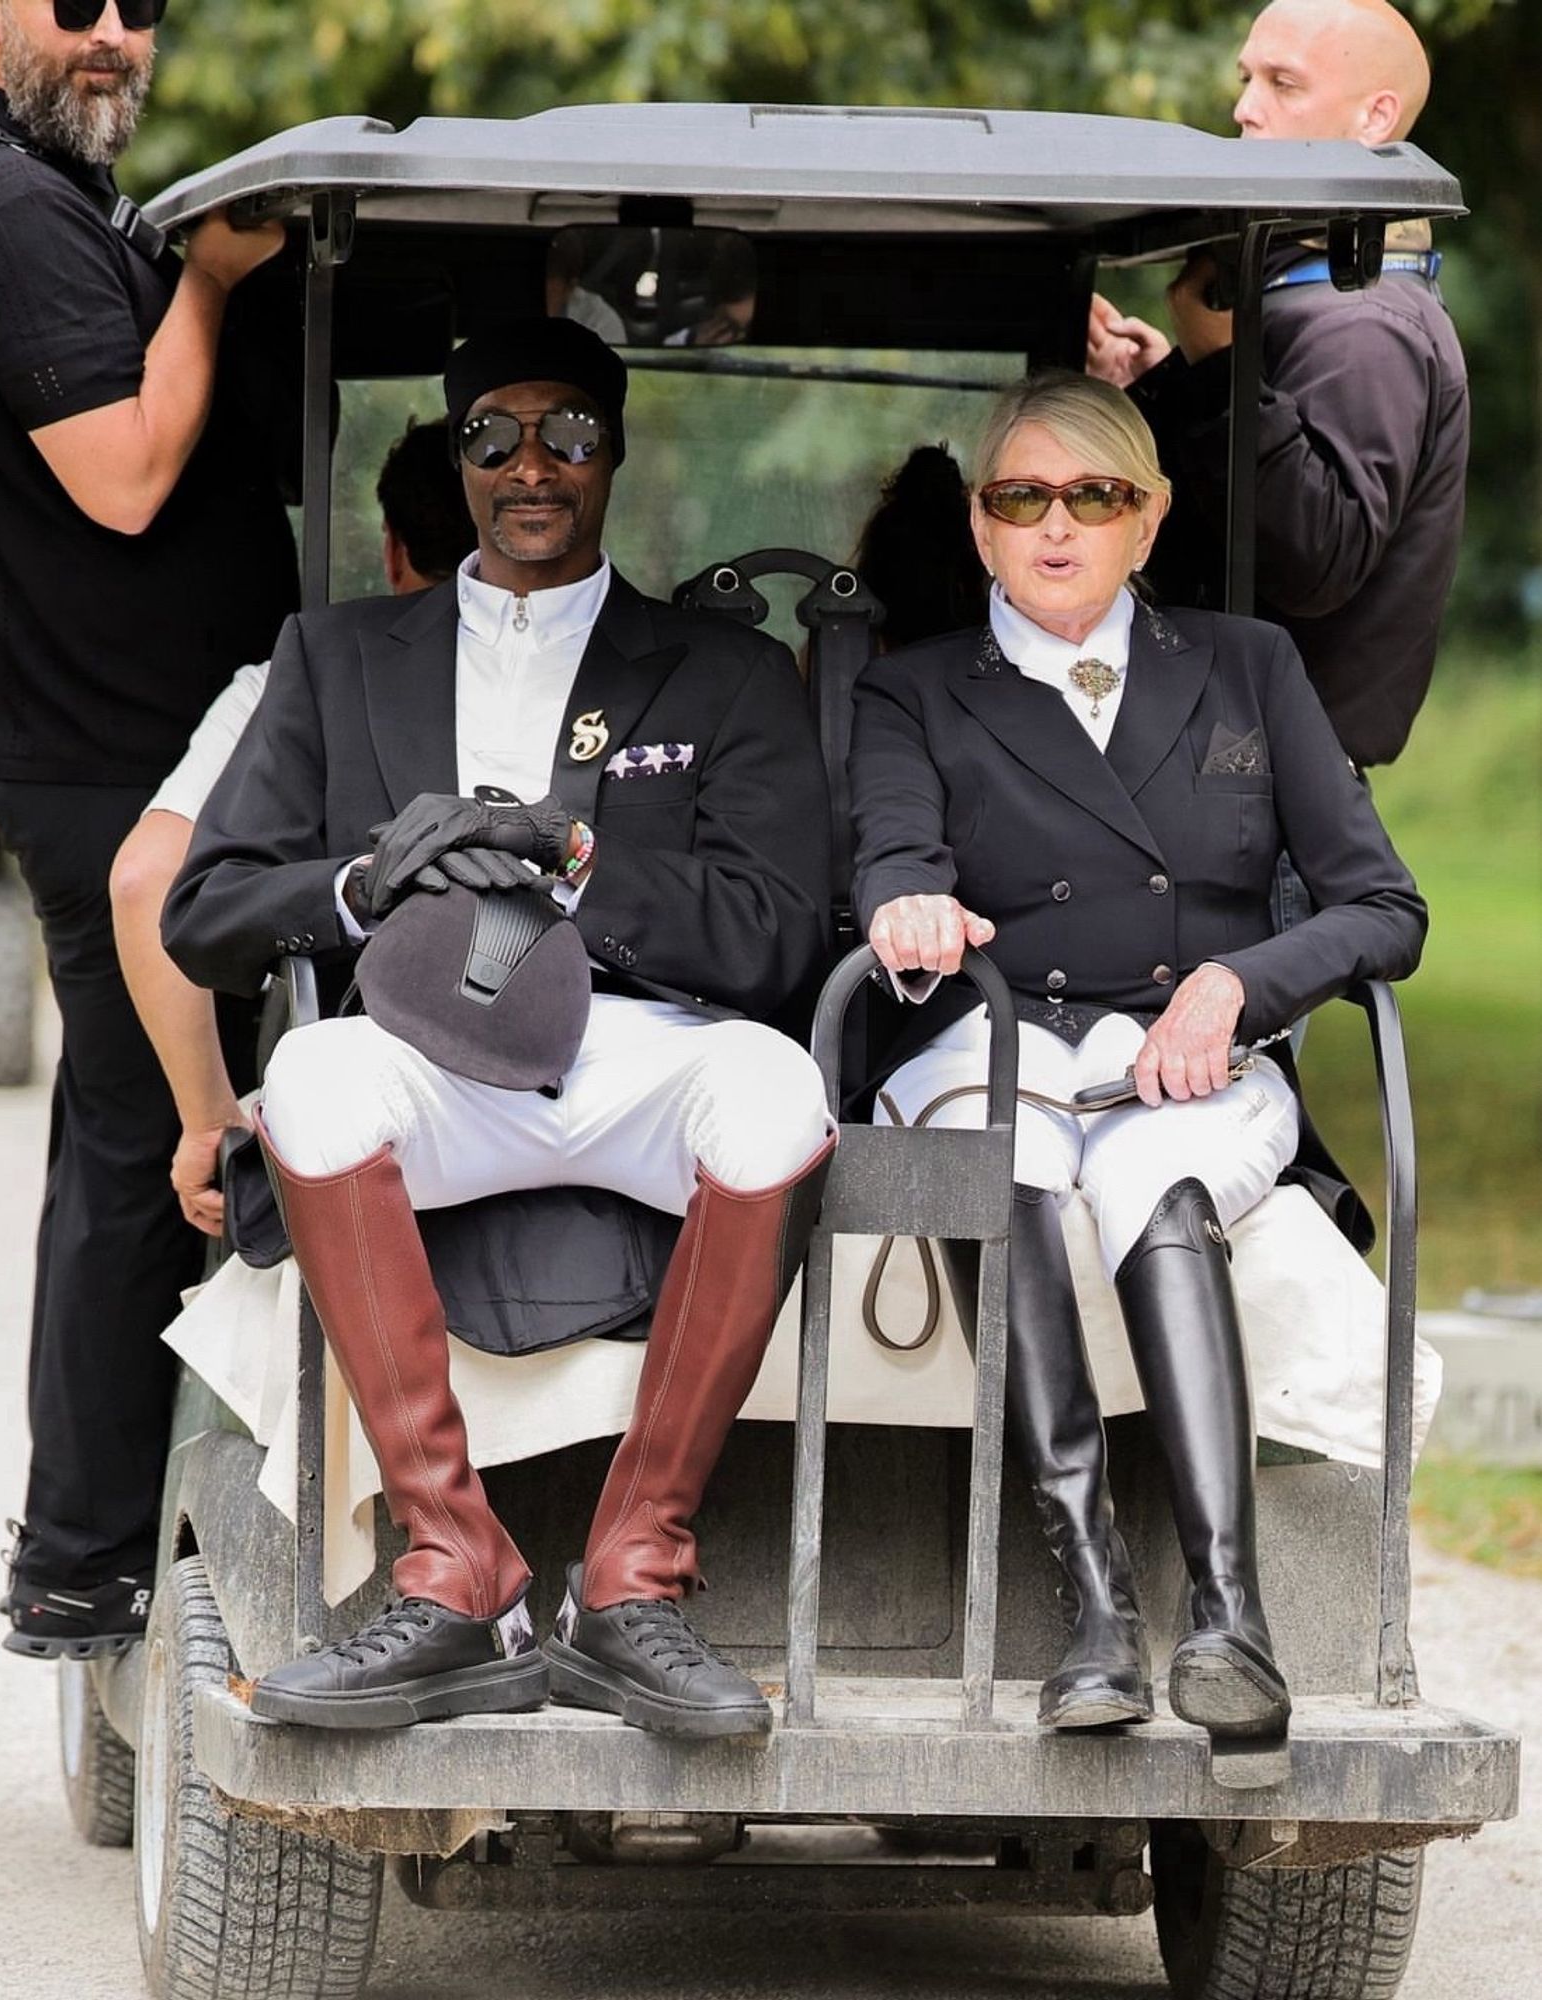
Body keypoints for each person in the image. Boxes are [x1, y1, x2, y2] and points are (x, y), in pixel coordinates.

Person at [163, 317, 836, 1740]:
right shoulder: (338, 656)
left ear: (615, 451)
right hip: (430, 1062)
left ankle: (635, 1577)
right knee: (313, 1073)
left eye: (569, 435)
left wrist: (578, 859)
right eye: (495, 436)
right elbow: (205, 911)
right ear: (457, 456)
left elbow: (779, 929)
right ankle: (456, 1562)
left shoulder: (714, 672)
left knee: (775, 1090)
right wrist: (364, 880)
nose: (533, 466)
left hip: (631, 1048)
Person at [848, 371, 1425, 1742]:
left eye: (1093, 496)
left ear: (1147, 522)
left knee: (1159, 1181)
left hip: (1185, 1047)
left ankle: (1231, 1617)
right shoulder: (913, 688)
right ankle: (1095, 1601)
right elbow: (889, 855)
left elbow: (1380, 907)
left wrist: (1234, 980)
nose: (1058, 527)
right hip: (991, 1030)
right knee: (1015, 1161)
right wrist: (910, 908)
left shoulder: (1244, 665)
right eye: (1021, 498)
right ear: (981, 529)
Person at [0, 0, 297, 1657]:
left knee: (128, 1135)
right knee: (152, 1144)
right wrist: (207, 281)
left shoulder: (36, 198)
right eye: (79, 6)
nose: (117, 34)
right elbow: (127, 474)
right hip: (110, 771)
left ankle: (88, 1542)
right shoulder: (0, 206)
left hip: (124, 752)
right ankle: (85, 1562)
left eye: (143, 7)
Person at [110, 418, 476, 1237]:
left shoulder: (296, 677)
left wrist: (211, 1119)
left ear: (391, 546)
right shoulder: (611, 675)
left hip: (358, 1115)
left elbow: (144, 882)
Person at [1086, 0, 1468, 771]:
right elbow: (1242, 514)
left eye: (1283, 84)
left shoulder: (1364, 320)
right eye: (1247, 78)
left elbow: (1313, 561)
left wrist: (1221, 369)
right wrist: (1173, 378)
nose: (1243, 108)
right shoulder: (1326, 295)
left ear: (1375, 117)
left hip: (1272, 795)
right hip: (1244, 772)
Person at [851, 443, 988, 650]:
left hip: (896, 633)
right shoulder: (963, 528)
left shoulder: (888, 524)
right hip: (953, 636)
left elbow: (868, 580)